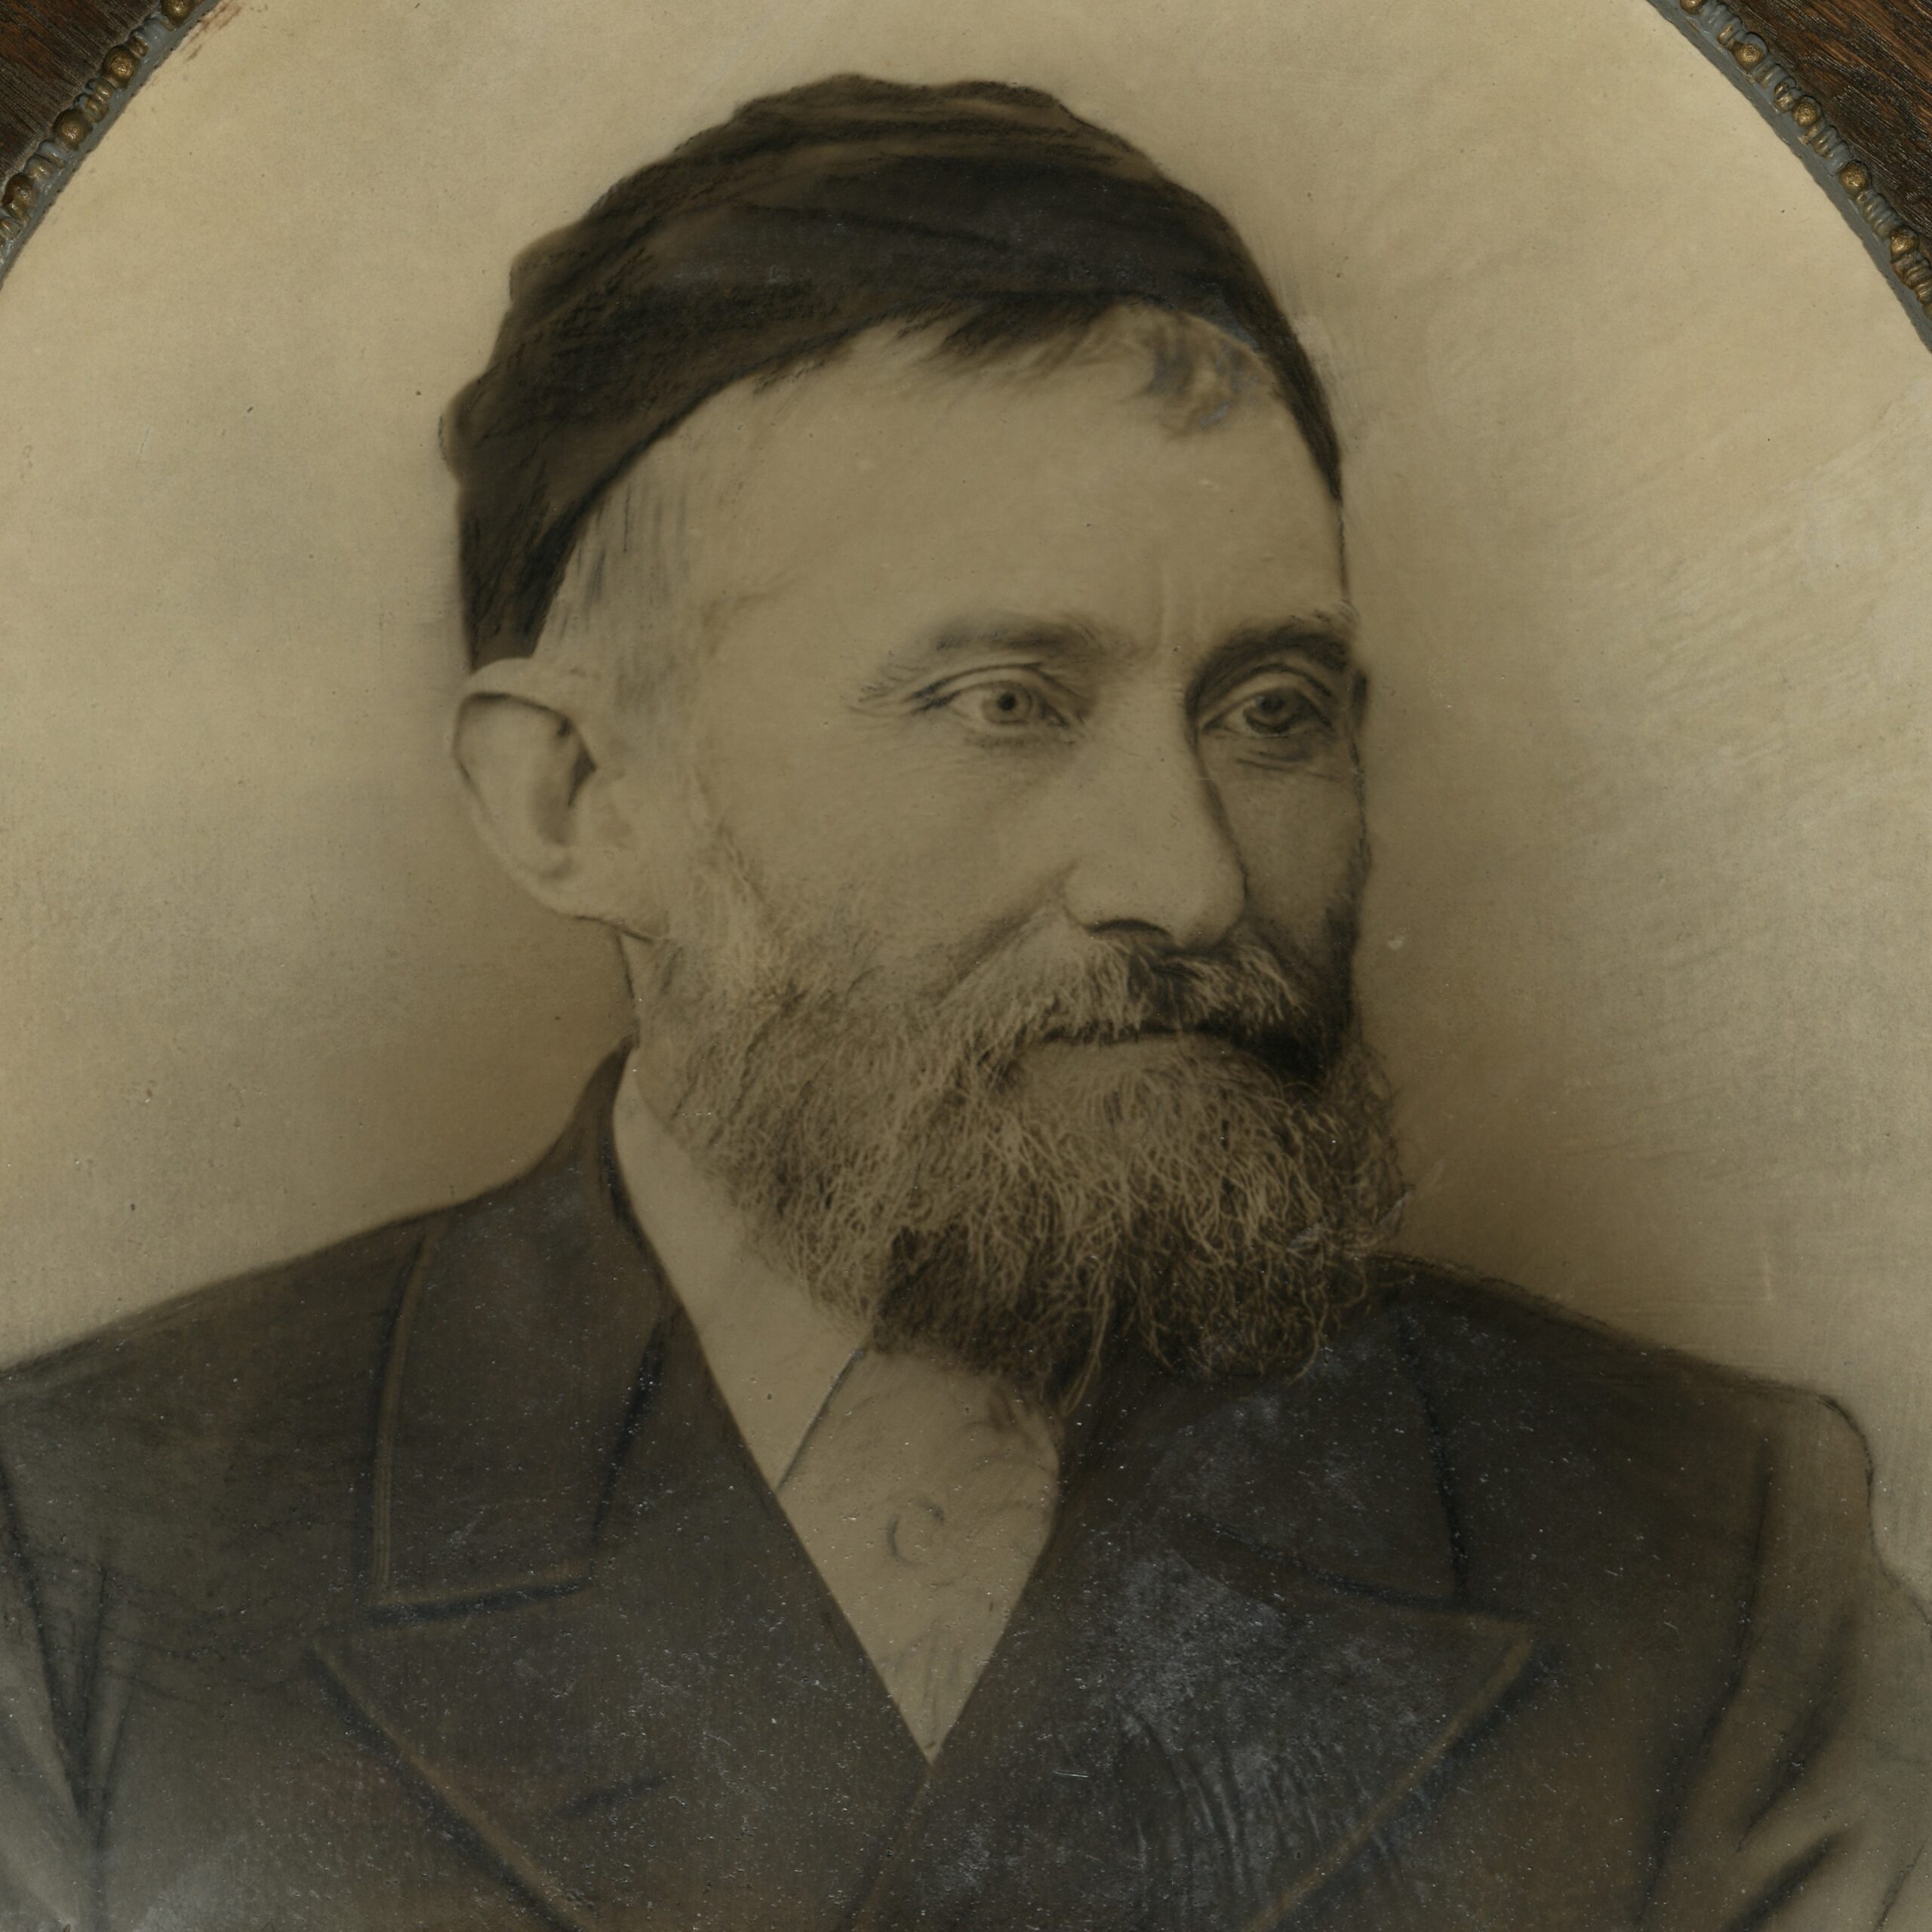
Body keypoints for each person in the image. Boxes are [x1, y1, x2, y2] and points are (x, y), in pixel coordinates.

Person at [0, 74, 1925, 1932]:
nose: (1182, 878)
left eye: (1271, 711)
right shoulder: (83, 1566)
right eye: (1003, 701)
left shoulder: (1707, 1564)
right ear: (575, 799)